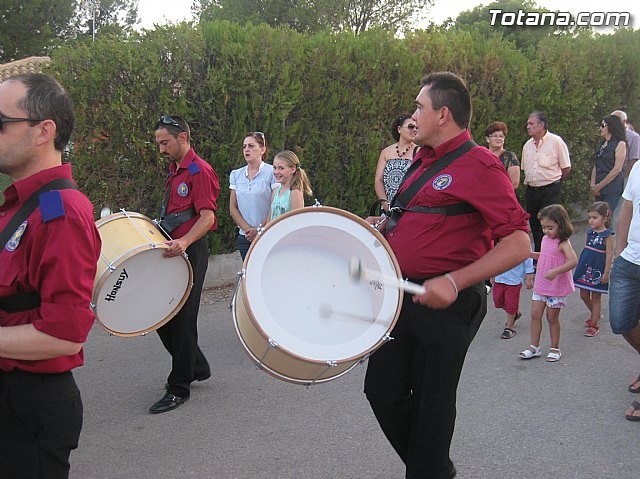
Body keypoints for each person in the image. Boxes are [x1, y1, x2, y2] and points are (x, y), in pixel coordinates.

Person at [364, 71, 531, 479]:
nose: (413, 115)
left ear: (442, 114)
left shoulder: (481, 165)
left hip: (450, 302)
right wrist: (380, 228)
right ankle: (435, 471)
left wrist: (455, 281)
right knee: (382, 391)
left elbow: (520, 242)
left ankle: (427, 472)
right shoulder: (420, 160)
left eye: (419, 107)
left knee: (431, 403)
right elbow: (416, 220)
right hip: (405, 295)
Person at [0, 74, 101, 478]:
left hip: (27, 407)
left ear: (44, 130)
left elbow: (65, 334)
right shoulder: (18, 205)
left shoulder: (61, 213)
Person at [150, 114, 220, 414]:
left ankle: (179, 387)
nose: (162, 149)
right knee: (161, 315)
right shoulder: (175, 169)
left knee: (183, 318)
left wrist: (185, 242)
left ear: (183, 138)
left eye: (165, 142)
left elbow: (208, 217)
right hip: (173, 253)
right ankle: (197, 365)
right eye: (159, 144)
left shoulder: (198, 170)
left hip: (190, 253)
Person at [519, 204, 577, 362]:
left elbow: (573, 261)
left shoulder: (563, 243)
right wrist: (530, 254)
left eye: (550, 227)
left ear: (561, 224)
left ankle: (554, 348)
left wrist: (556, 271)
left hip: (556, 287)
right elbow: (544, 256)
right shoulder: (545, 239)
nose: (546, 231)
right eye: (544, 227)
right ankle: (534, 346)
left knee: (552, 317)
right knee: (535, 315)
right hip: (541, 285)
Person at [609, 162, 640, 421]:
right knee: (621, 322)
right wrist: (618, 253)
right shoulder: (639, 166)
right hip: (629, 261)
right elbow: (627, 208)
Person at [521, 111, 571, 253]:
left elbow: (566, 167)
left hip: (550, 190)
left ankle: (553, 254)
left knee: (550, 223)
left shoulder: (556, 141)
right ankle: (539, 257)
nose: (528, 126)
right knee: (535, 225)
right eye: (528, 123)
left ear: (541, 125)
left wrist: (555, 184)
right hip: (532, 191)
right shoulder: (527, 146)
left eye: (531, 123)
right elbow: (526, 169)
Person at [229, 132, 277, 260]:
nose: (247, 150)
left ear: (262, 149)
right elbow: (233, 208)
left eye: (251, 146)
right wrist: (248, 231)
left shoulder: (272, 172)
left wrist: (260, 229)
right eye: (244, 146)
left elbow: (275, 205)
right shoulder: (236, 174)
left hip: (267, 234)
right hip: (245, 236)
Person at [573, 201, 614, 337]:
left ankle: (594, 324)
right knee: (583, 295)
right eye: (590, 217)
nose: (591, 220)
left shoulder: (607, 236)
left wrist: (606, 272)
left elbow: (609, 255)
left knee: (596, 296)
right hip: (586, 268)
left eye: (594, 217)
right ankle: (596, 314)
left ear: (604, 218)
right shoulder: (589, 232)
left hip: (598, 269)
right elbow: (587, 251)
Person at [374, 114, 417, 212]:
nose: (414, 129)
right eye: (411, 126)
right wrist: (385, 203)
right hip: (387, 209)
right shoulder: (386, 152)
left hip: (408, 209)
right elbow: (378, 180)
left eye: (416, 127)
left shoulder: (419, 152)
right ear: (399, 129)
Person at [590, 115, 627, 213]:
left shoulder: (620, 144)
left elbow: (617, 169)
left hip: (612, 188)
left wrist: (600, 186)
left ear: (611, 126)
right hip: (599, 188)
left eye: (603, 125)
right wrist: (593, 184)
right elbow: (596, 164)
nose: (600, 128)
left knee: (608, 216)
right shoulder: (602, 145)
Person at [492, 257, 534, 339]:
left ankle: (509, 328)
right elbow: (494, 258)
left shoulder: (521, 245)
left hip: (514, 280)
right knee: (497, 300)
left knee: (511, 304)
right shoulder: (499, 244)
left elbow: (528, 260)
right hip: (499, 278)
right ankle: (515, 313)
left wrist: (529, 278)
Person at [266, 150, 312, 222]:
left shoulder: (295, 193)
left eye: (281, 168)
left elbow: (297, 221)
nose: (276, 172)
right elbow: (269, 219)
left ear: (292, 169)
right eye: (275, 168)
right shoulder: (275, 191)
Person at [485, 121, 520, 189]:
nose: (498, 138)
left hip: (504, 195)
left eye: (501, 136)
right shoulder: (483, 155)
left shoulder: (510, 156)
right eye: (495, 136)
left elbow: (514, 183)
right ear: (487, 139)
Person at [611, 110, 640, 178]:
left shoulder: (634, 137)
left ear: (624, 121)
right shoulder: (610, 135)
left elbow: (633, 160)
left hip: (624, 176)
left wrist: (621, 177)